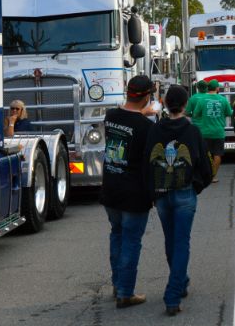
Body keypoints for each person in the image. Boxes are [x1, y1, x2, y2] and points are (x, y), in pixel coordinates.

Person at [144, 85, 212, 316]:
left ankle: (180, 282)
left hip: (162, 191)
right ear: (185, 105)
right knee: (181, 241)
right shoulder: (192, 131)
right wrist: (198, 185)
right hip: (185, 190)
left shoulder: (155, 130)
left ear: (164, 103)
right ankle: (172, 295)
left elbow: (147, 161)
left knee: (171, 240)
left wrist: (152, 192)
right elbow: (204, 163)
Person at [101, 74, 155, 308]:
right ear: (146, 97)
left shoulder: (111, 116)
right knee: (132, 241)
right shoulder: (146, 127)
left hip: (110, 187)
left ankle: (117, 284)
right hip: (134, 192)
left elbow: (127, 120)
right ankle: (126, 292)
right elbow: (149, 160)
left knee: (117, 235)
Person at [186, 79, 232, 182]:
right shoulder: (223, 99)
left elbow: (196, 114)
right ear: (217, 88)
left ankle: (204, 175)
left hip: (204, 132)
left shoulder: (202, 100)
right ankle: (213, 176)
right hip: (218, 132)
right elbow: (229, 113)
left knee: (205, 154)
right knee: (217, 154)